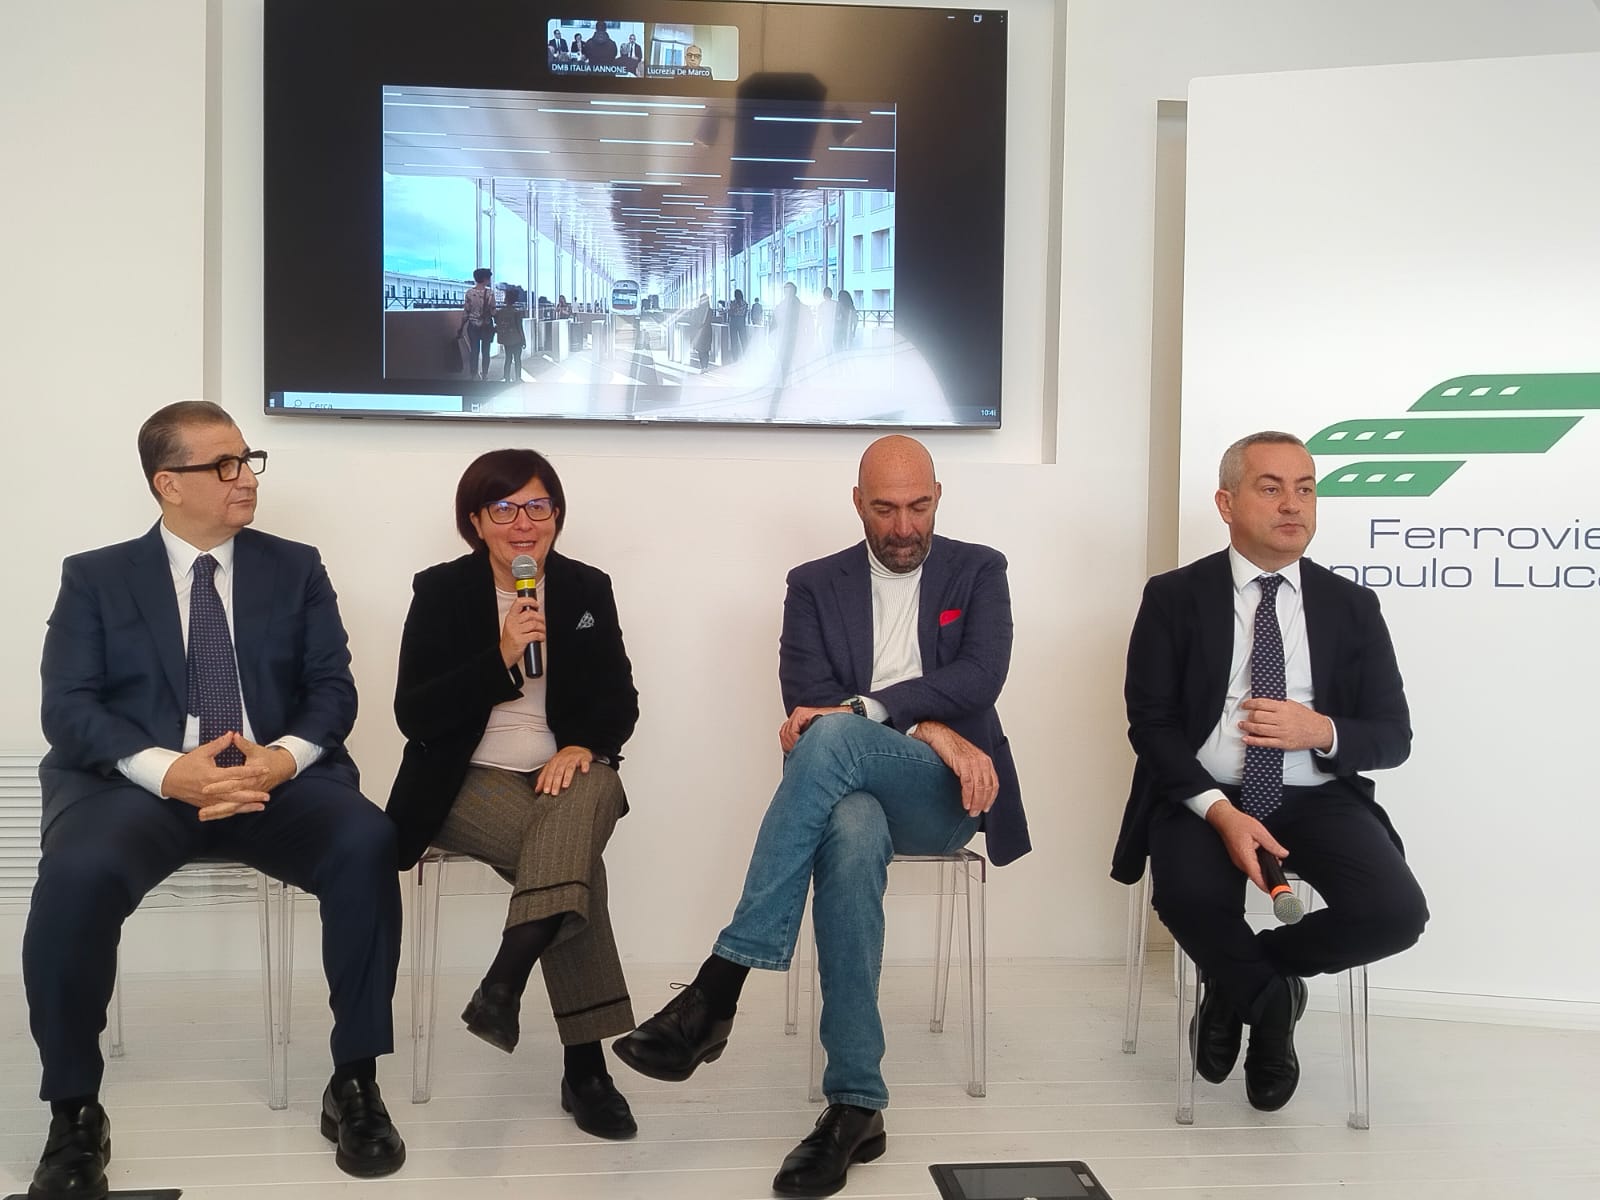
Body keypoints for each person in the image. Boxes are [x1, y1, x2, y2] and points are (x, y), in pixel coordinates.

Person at [613, 435, 1028, 1198]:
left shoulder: (979, 570)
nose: (904, 527)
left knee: (835, 734)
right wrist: (924, 720)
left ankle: (719, 987)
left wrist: (896, 720)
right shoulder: (812, 584)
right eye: (885, 509)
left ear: (939, 495)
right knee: (850, 828)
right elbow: (805, 698)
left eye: (919, 506)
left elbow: (978, 676)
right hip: (849, 791)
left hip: (944, 794)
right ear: (857, 502)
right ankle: (856, 1107)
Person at [25, 401, 406, 1199]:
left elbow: (332, 689)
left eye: (248, 460)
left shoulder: (295, 567)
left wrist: (280, 758)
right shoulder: (95, 577)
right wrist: (170, 771)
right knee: (75, 873)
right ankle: (74, 1112)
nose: (246, 478)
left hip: (273, 779)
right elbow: (68, 707)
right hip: (142, 787)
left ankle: (355, 1080)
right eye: (224, 465)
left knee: (366, 841)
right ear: (168, 483)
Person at [1111, 431, 1429, 1112]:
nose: (1293, 504)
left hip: (1316, 797)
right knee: (1190, 899)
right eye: (1271, 487)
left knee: (1396, 914)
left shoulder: (1352, 607)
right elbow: (1151, 725)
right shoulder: (1173, 597)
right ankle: (1274, 1003)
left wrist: (1321, 731)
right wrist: (1220, 813)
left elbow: (1392, 735)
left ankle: (1242, 984)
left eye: (1305, 489)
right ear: (1226, 504)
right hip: (1205, 797)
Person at [387, 448, 641, 1141]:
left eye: (537, 506)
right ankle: (585, 1069)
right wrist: (501, 655)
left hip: (564, 774)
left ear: (556, 515)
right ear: (476, 521)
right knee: (575, 864)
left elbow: (619, 700)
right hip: (465, 778)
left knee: (589, 793)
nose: (523, 523)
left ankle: (506, 978)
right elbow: (414, 713)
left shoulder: (586, 588)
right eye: (504, 509)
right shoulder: (441, 591)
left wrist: (582, 745)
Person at [462, 267, 495, 380]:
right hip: (487, 325)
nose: (489, 280)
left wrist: (461, 326)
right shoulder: (490, 293)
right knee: (486, 351)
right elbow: (493, 310)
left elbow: (466, 311)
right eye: (489, 278)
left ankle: (473, 375)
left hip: (473, 325)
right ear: (485, 279)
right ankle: (485, 374)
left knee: (474, 351)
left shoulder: (469, 293)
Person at [494, 285, 527, 382]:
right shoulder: (517, 313)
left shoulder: (500, 312)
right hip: (517, 339)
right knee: (517, 359)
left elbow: (497, 322)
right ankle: (518, 378)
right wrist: (523, 340)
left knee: (508, 359)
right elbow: (520, 328)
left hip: (506, 339)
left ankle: (507, 378)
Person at [690, 292, 714, 372]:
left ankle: (704, 366)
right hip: (704, 331)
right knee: (703, 349)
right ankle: (704, 366)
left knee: (703, 349)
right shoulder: (707, 310)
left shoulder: (705, 310)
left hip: (702, 331)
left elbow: (697, 321)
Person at [727, 289, 749, 362]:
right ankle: (746, 356)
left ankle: (735, 358)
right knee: (744, 340)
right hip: (741, 322)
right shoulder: (745, 303)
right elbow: (745, 314)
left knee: (734, 341)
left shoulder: (733, 303)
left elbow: (730, 313)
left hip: (733, 322)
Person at [815, 287, 838, 357]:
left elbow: (819, 319)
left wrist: (817, 330)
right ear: (831, 294)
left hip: (825, 329)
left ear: (823, 295)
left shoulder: (821, 305)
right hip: (835, 329)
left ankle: (828, 359)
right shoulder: (836, 304)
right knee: (835, 347)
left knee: (826, 347)